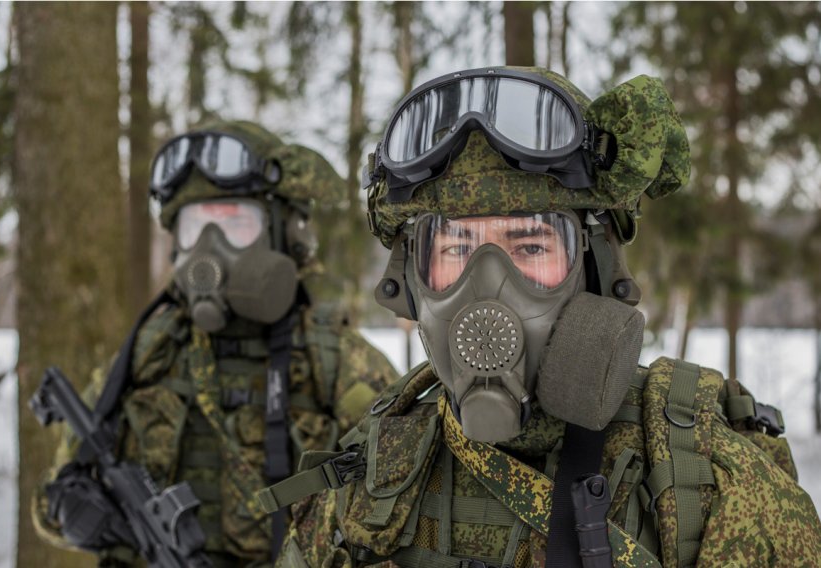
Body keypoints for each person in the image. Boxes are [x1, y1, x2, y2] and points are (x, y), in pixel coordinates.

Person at [262, 68, 821, 567]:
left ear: (596, 265)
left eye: (530, 247)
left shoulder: (707, 483)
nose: (485, 292)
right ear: (411, 282)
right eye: (455, 250)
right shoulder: (373, 473)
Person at [32, 121, 399, 567]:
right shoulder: (148, 353)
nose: (210, 249)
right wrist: (75, 511)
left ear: (288, 233)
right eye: (196, 228)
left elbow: (404, 514)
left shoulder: (337, 359)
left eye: (235, 225)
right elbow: (52, 497)